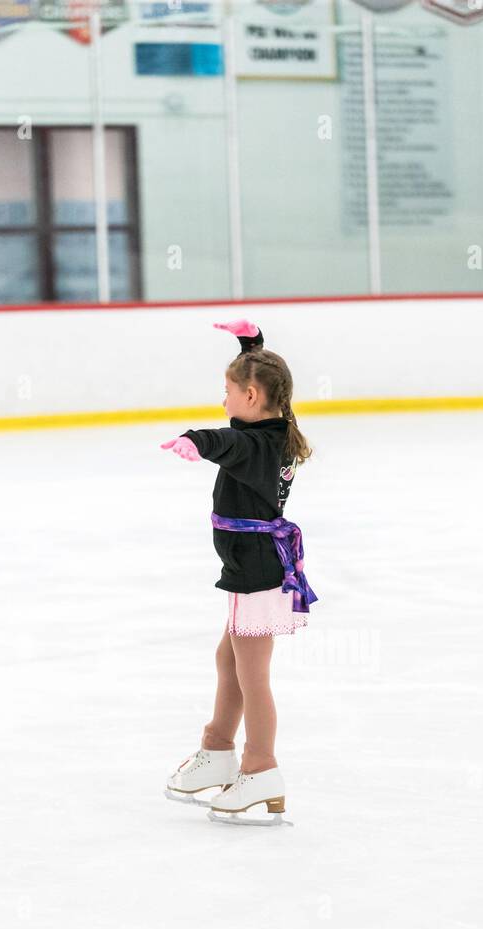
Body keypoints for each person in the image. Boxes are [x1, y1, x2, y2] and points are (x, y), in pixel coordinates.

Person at [160, 319, 316, 821]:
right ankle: (219, 750)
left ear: (251, 396)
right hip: (251, 569)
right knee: (229, 662)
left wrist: (195, 440)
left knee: (252, 677)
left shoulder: (257, 447)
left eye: (227, 392)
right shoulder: (273, 423)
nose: (222, 402)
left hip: (256, 573)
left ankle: (261, 768)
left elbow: (226, 444)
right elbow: (274, 389)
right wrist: (252, 345)